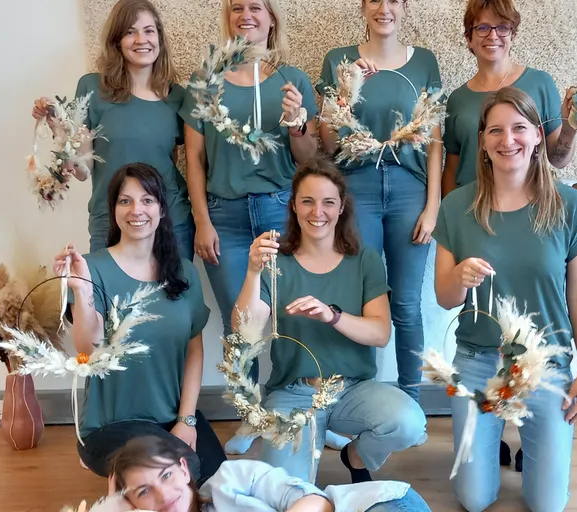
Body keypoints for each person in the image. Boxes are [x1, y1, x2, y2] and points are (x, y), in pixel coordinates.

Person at [431, 87, 577, 512]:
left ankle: (530, 447)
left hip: (547, 362)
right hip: (477, 360)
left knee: (547, 506)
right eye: (496, 131)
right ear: (484, 141)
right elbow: (445, 298)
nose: (509, 140)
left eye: (519, 128)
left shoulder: (570, 207)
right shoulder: (455, 207)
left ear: (538, 135)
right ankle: (494, 448)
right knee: (473, 499)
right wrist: (459, 277)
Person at [233, 158, 427, 484]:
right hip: (293, 394)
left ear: (341, 208)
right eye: (307, 201)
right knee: (284, 492)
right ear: (294, 205)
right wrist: (253, 272)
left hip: (353, 389)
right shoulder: (275, 261)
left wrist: (332, 316)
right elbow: (244, 331)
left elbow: (380, 333)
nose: (317, 212)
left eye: (327, 202)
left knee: (409, 423)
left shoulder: (364, 260)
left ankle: (355, 456)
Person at [180, 0, 318, 455]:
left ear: (271, 17)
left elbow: (307, 158)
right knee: (241, 326)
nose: (247, 15)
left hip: (282, 210)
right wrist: (202, 220)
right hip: (225, 216)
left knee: (288, 317)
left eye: (256, 7)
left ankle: (292, 413)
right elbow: (194, 161)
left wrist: (298, 124)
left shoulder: (292, 79)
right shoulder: (206, 81)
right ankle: (251, 416)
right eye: (237, 7)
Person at [55, 163, 226, 486]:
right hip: (110, 425)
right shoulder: (92, 268)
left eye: (147, 200)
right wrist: (82, 290)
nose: (137, 210)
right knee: (179, 474)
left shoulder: (185, 272)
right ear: (114, 210)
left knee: (218, 481)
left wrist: (186, 420)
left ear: (162, 209)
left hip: (170, 418)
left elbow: (194, 351)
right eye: (125, 201)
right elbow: (87, 351)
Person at [316, 0, 442, 407]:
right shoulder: (338, 60)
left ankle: (411, 400)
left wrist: (433, 204)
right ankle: (359, 399)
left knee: (405, 301)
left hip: (409, 189)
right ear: (363, 7)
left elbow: (434, 139)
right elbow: (329, 143)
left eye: (393, 0)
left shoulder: (424, 62)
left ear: (404, 7)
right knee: (360, 300)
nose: (383, 8)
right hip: (356, 190)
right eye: (375, 0)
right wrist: (348, 95)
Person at [32, 0, 194, 259]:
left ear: (160, 39)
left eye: (149, 31)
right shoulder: (92, 89)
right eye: (130, 32)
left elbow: (178, 159)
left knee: (173, 299)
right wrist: (59, 127)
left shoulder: (177, 98)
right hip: (110, 223)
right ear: (116, 41)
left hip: (170, 223)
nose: (141, 39)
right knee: (109, 300)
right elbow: (84, 171)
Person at [441, 0, 577, 198]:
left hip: (527, 209)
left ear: (513, 35)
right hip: (469, 213)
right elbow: (452, 170)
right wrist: (449, 218)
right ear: (469, 38)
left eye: (503, 27)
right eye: (482, 28)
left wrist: (570, 126)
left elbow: (558, 160)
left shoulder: (540, 83)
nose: (493, 35)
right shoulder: (457, 99)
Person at [86, 435, 431, 511]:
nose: (163, 495)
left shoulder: (230, 479)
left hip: (381, 505)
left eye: (165, 477)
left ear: (182, 468)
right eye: (143, 492)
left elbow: (313, 501)